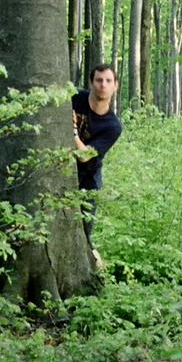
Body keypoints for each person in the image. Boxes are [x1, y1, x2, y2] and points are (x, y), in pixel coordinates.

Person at [72, 63, 123, 264]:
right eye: (99, 80)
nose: (103, 85)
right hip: (60, 173)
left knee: (83, 235)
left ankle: (95, 272)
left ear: (115, 86)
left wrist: (72, 131)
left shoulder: (113, 126)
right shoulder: (75, 98)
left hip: (88, 182)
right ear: (91, 83)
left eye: (108, 81)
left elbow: (84, 156)